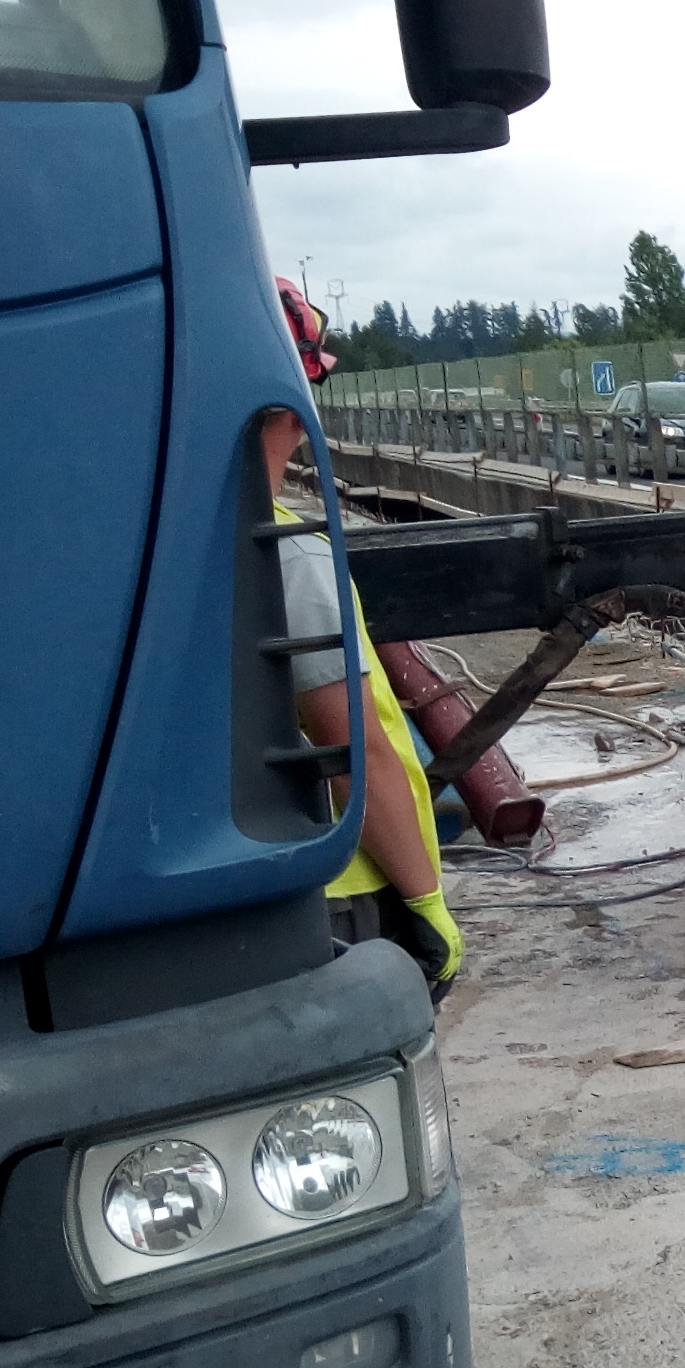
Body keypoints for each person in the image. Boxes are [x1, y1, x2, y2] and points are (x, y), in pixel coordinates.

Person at [261, 401, 463, 996]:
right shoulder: (291, 556)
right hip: (343, 891)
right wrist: (425, 900)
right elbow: (354, 752)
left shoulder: (177, 539)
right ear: (292, 414)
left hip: (269, 875)